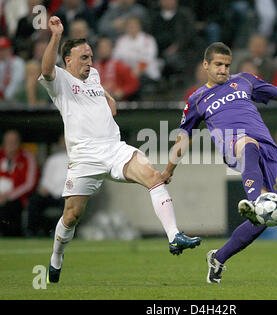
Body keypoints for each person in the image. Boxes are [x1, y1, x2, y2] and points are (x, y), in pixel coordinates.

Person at [161, 42, 277, 283]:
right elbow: (184, 136)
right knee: (248, 145)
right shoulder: (197, 99)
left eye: (227, 65)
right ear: (206, 65)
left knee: (266, 218)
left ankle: (219, 258)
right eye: (218, 64)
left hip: (267, 148)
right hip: (235, 144)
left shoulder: (245, 80)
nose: (223, 69)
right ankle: (254, 199)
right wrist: (168, 170)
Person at [39, 16, 201, 284]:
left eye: (90, 56)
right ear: (68, 61)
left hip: (114, 148)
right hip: (85, 156)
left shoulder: (95, 76)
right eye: (83, 57)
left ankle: (174, 237)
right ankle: (56, 258)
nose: (89, 62)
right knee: (72, 215)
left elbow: (106, 101)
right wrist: (55, 36)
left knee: (153, 176)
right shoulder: (60, 81)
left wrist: (107, 98)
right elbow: (46, 70)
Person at [26, 135, 68, 237]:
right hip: (51, 194)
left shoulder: (80, 159)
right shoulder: (53, 159)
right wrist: (45, 189)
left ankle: (64, 234)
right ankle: (33, 232)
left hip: (68, 195)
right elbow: (46, 180)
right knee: (35, 201)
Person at [0, 130, 39, 236]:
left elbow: (30, 183)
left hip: (18, 199)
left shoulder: (27, 157)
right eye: (8, 141)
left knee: (10, 210)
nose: (11, 145)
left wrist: (8, 196)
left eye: (14, 141)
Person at [93, 37, 140, 101]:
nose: (103, 50)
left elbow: (133, 83)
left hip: (117, 103)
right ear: (97, 50)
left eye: (106, 47)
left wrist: (122, 91)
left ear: (111, 49)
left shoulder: (120, 66)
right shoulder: (92, 68)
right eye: (101, 48)